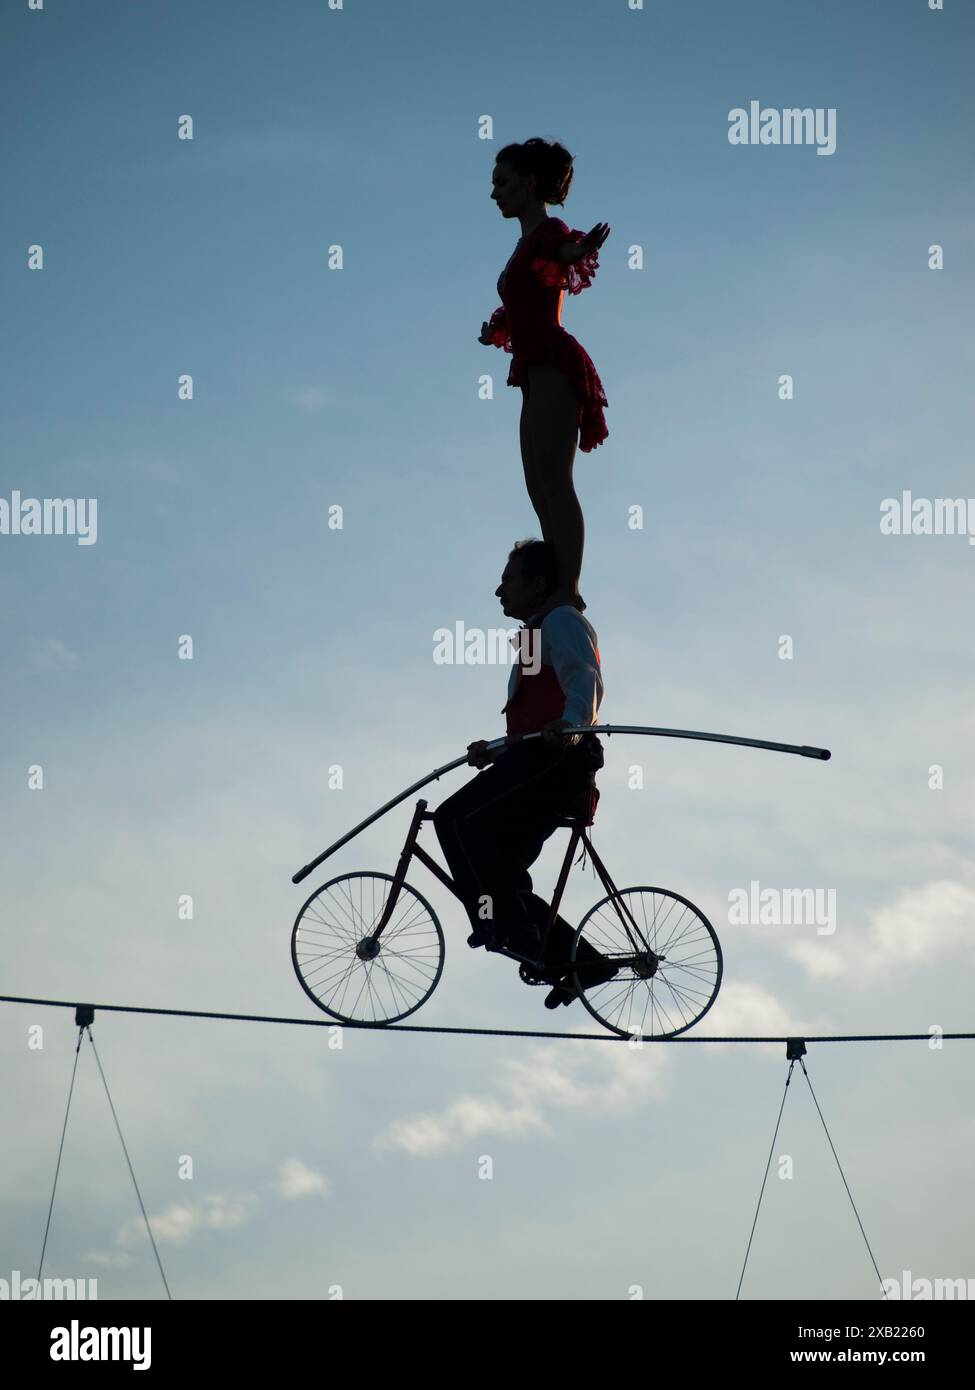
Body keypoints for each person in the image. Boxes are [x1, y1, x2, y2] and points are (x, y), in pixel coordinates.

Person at [433, 539, 618, 1009]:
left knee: (454, 819)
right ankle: (581, 961)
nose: (499, 591)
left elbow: (587, 680)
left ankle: (504, 923)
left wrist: (572, 728)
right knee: (496, 862)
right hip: (539, 761)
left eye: (509, 580)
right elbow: (534, 724)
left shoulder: (561, 622)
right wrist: (495, 751)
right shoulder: (533, 639)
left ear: (537, 584)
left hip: (560, 762)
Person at [481, 137, 610, 617]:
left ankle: (568, 589)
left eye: (502, 182)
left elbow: (564, 249)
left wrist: (578, 249)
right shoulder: (523, 246)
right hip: (533, 375)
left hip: (555, 366)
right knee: (537, 484)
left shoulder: (547, 231)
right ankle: (555, 583)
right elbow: (526, 295)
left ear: (529, 183)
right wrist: (497, 326)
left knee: (555, 480)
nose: (495, 193)